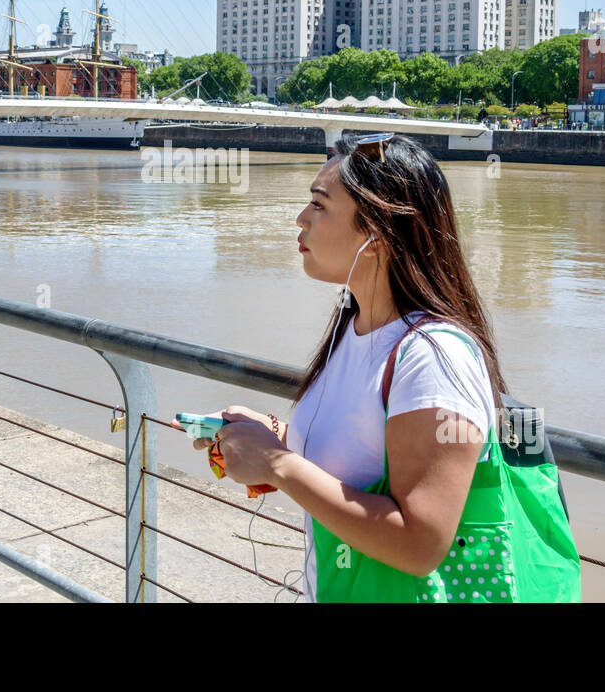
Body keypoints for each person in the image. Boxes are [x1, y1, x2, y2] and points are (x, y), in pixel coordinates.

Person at [179, 132, 508, 602]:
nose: (300, 219)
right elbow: (362, 455)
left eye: (319, 205)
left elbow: (420, 544)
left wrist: (278, 465)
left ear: (375, 234)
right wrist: (275, 438)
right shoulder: (353, 329)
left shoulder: (433, 356)